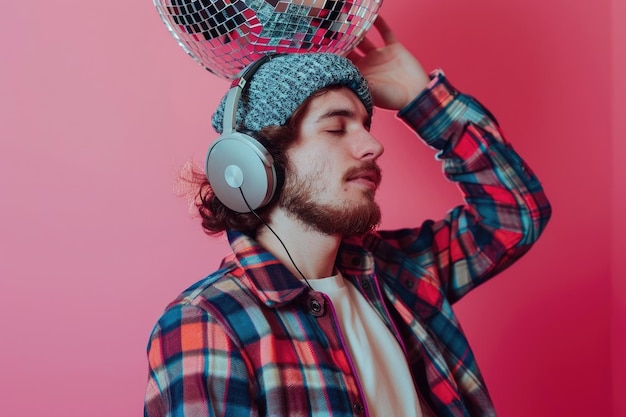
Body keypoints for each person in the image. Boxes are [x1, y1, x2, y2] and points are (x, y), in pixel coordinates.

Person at [144, 16, 551, 417]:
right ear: (258, 161)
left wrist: (420, 98)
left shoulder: (399, 272)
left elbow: (514, 215)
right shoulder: (210, 324)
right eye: (337, 129)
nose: (373, 145)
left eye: (366, 125)